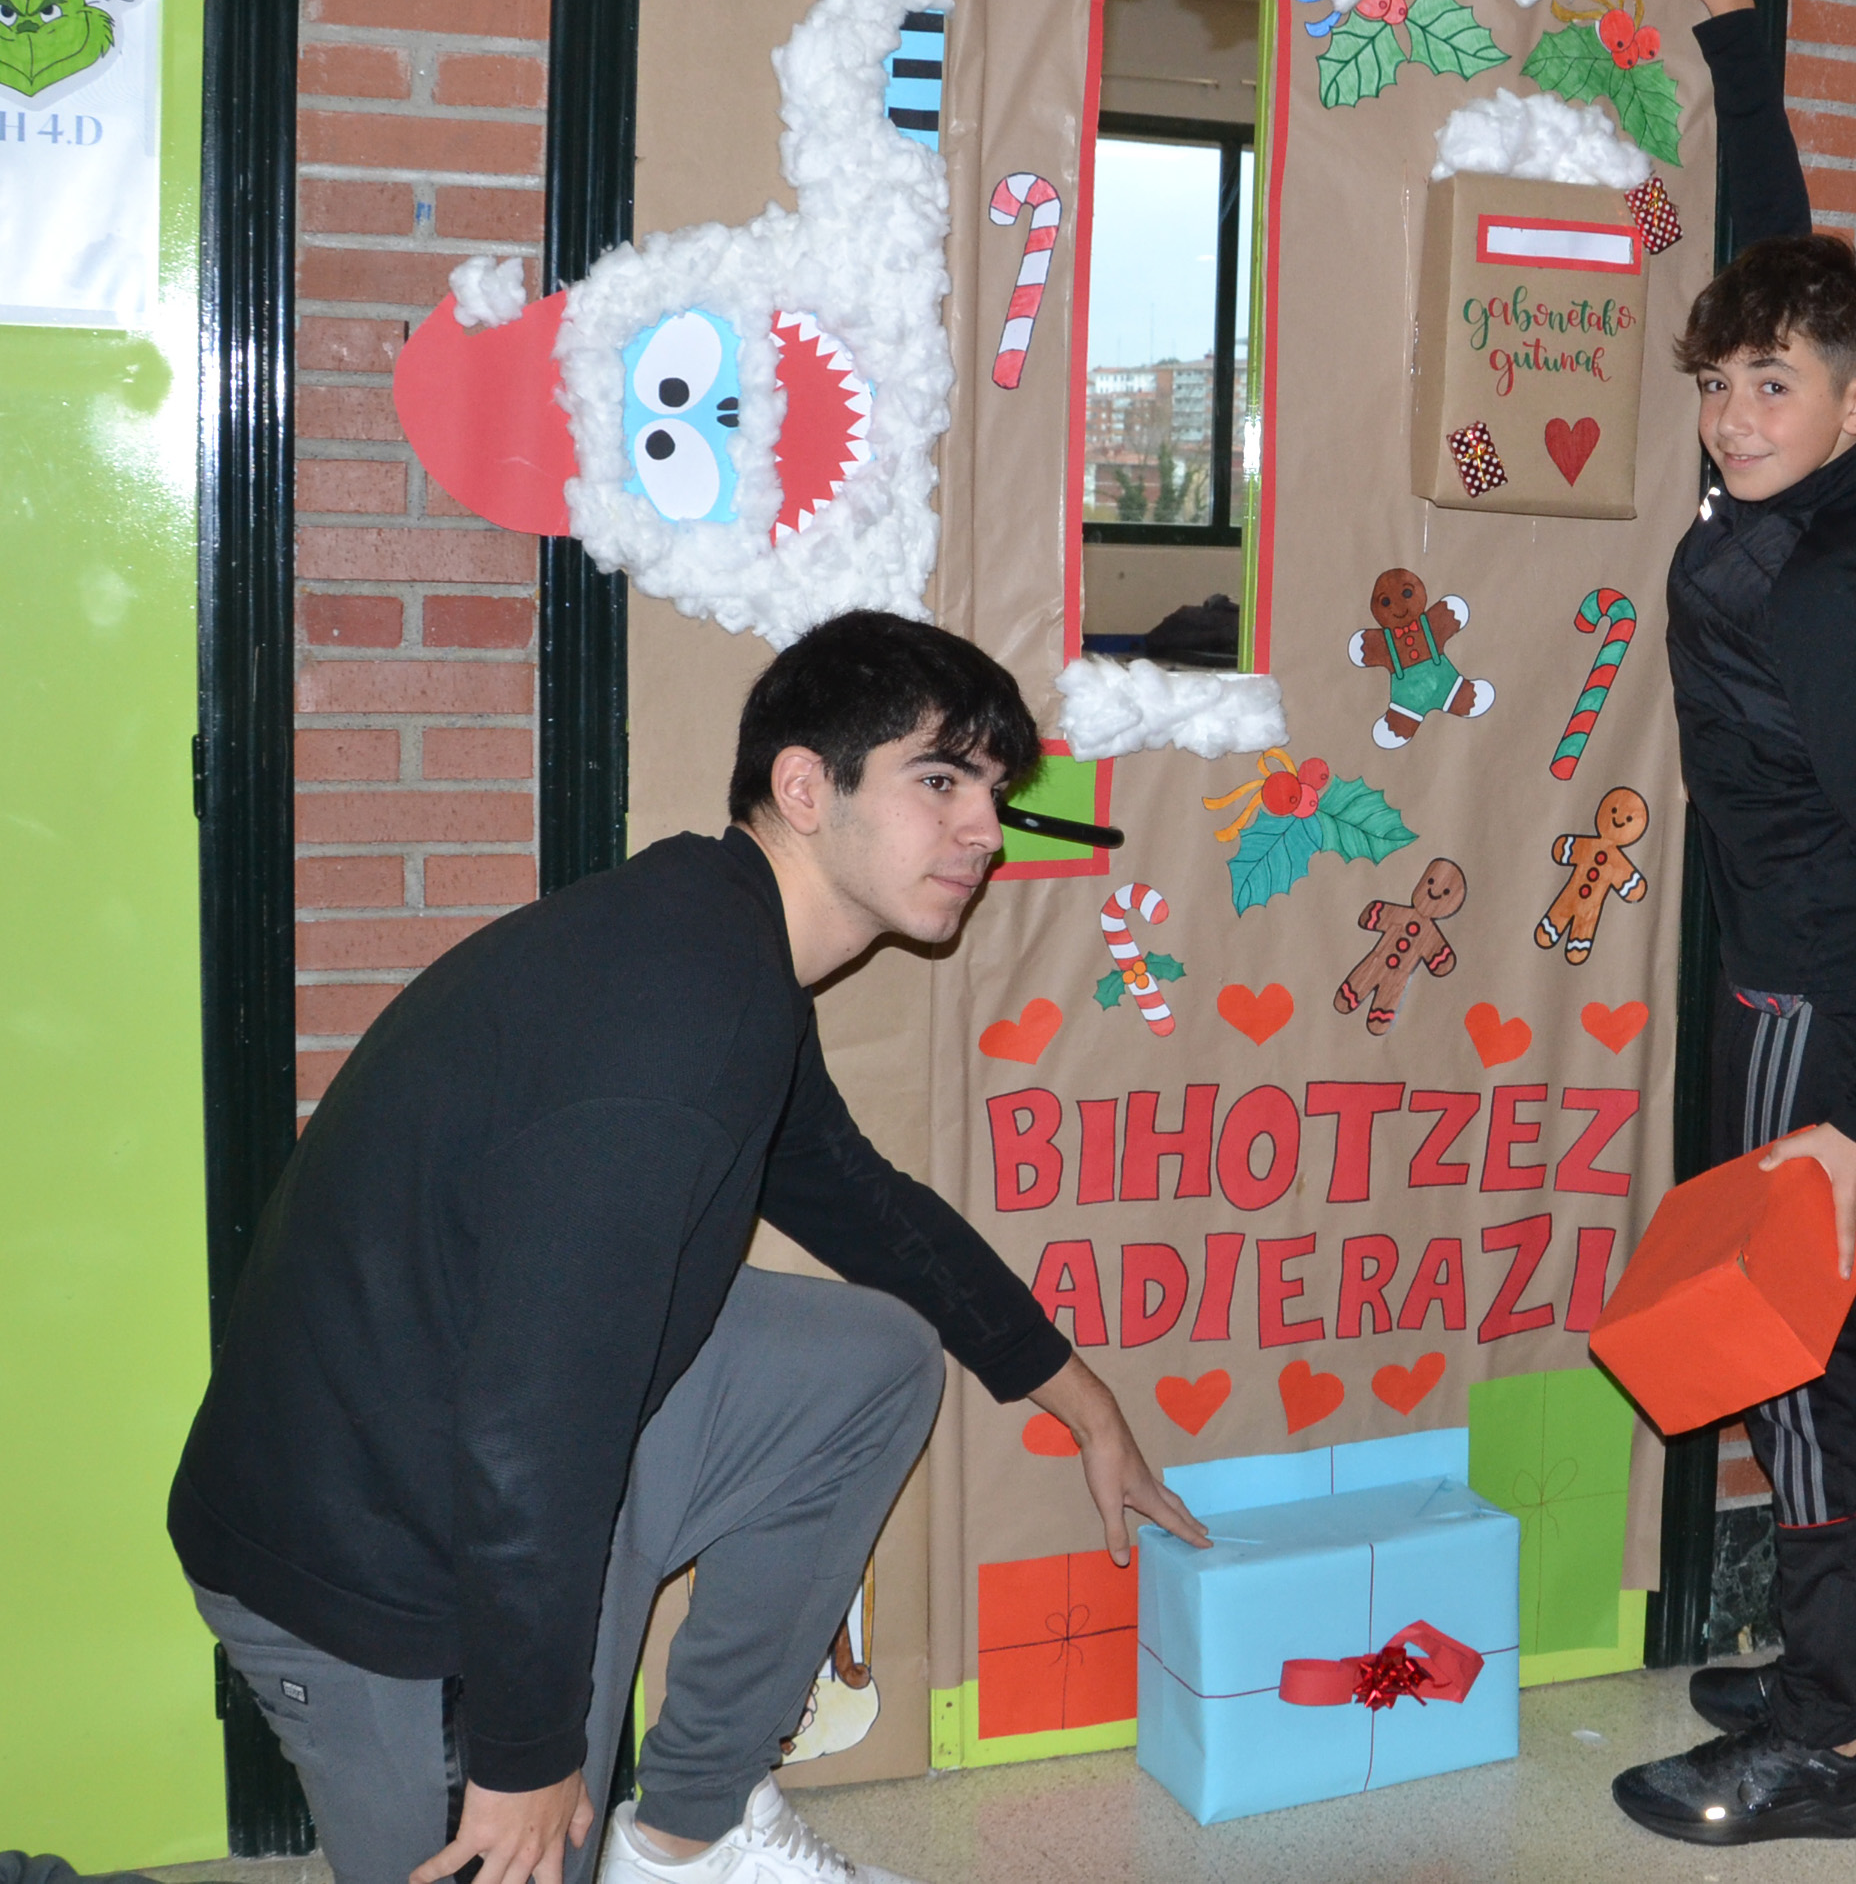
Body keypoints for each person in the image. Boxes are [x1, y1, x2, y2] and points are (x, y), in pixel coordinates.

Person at [170, 611, 1210, 1884]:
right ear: (803, 786)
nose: (984, 829)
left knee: (867, 1360)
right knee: (520, 1838)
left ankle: (687, 1832)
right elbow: (534, 1416)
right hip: (360, 1559)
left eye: (992, 791)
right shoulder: (680, 1015)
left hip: (471, 1426)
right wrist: (527, 1751)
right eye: (940, 781)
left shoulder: (721, 945)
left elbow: (863, 1205)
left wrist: (1083, 1400)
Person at [1608, 0, 1856, 1847]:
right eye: (1724, 383)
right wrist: (1737, 25)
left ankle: (1822, 1745)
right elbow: (1778, 260)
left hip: (1810, 1006)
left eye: (1774, 389)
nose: (1738, 417)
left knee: (1794, 1359)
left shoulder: (1821, 589)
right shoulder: (1842, 482)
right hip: (1803, 990)